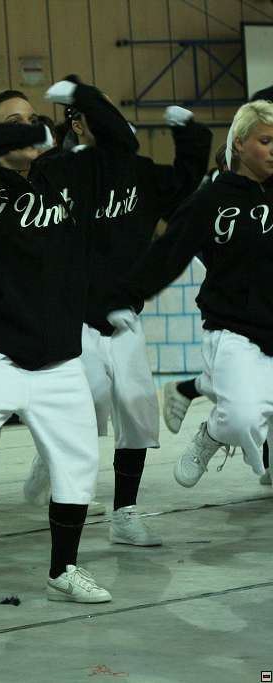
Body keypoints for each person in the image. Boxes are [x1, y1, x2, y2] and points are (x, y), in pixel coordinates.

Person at [0, 78, 138, 606]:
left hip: (57, 355)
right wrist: (18, 134)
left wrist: (84, 96)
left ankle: (63, 570)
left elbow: (122, 144)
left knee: (77, 464)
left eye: (32, 118)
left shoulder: (65, 174)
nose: (26, 127)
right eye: (11, 122)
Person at [22, 101, 212, 546]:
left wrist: (188, 134)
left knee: (137, 411)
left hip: (124, 318)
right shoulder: (60, 170)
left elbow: (184, 181)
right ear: (79, 126)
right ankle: (48, 458)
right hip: (72, 316)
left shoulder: (139, 173)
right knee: (84, 404)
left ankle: (124, 513)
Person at [106, 100, 273, 490]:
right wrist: (126, 294)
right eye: (266, 141)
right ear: (240, 143)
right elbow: (170, 251)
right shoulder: (211, 200)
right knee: (241, 417)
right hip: (234, 329)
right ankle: (210, 436)